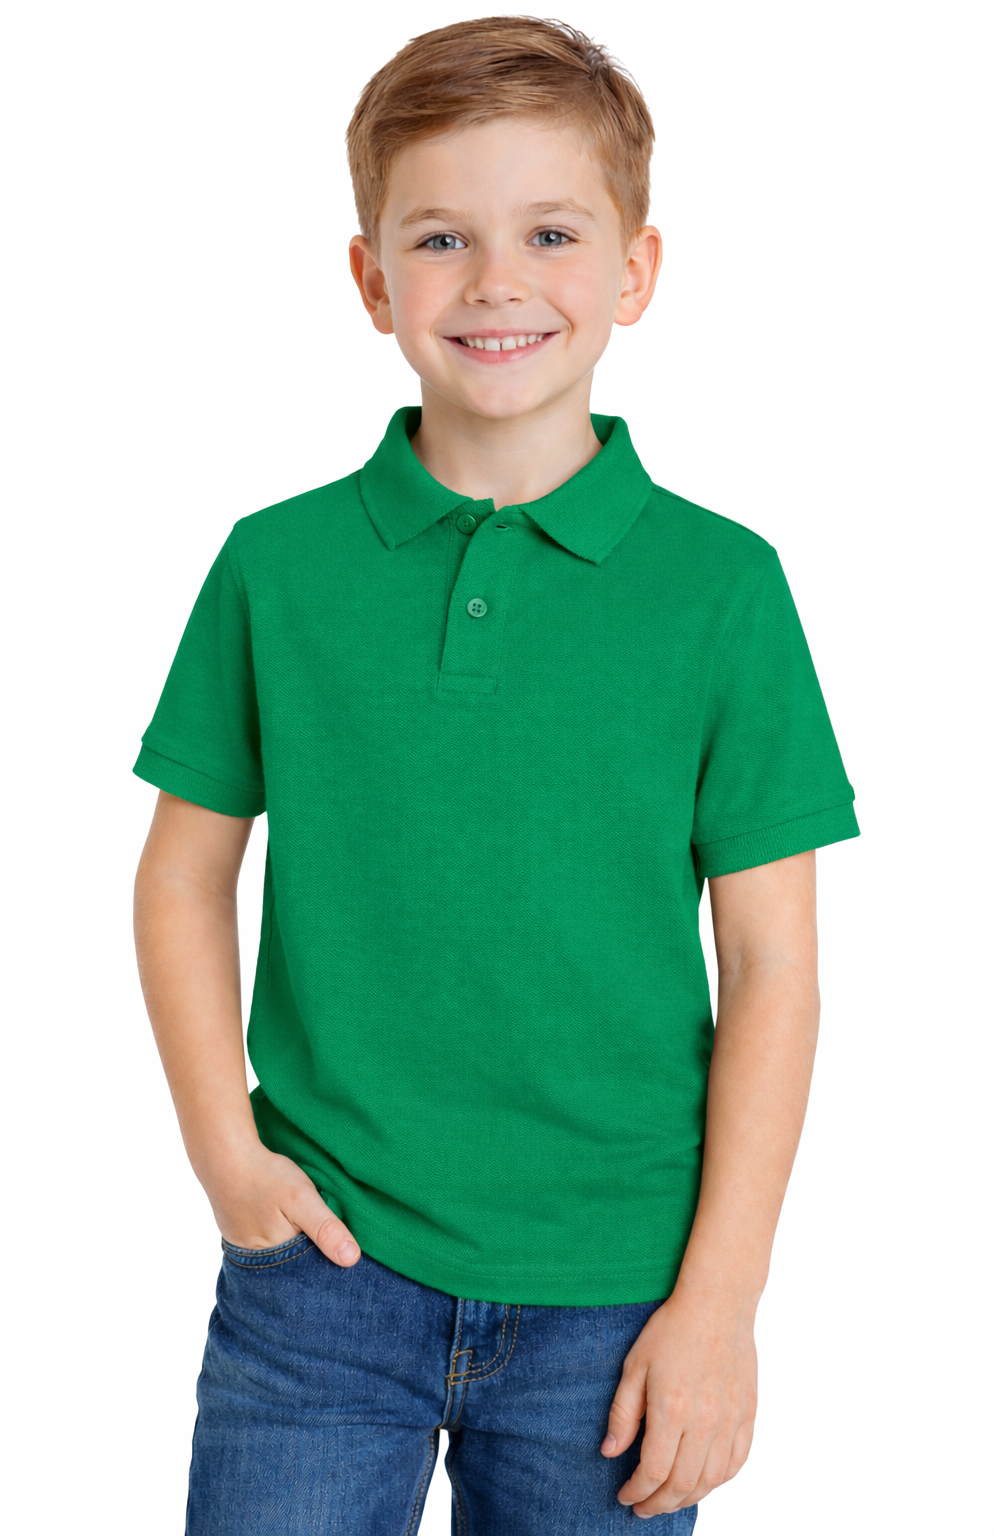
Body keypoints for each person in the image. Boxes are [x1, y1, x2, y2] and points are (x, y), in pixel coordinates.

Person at [132, 17, 858, 1533]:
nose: (496, 282)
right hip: (321, 1270)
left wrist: (723, 1301)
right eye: (442, 237)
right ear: (371, 279)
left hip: (620, 1295)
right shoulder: (277, 566)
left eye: (551, 233)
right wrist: (226, 1157)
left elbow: (775, 965)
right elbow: (183, 873)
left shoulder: (725, 588)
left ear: (637, 270)